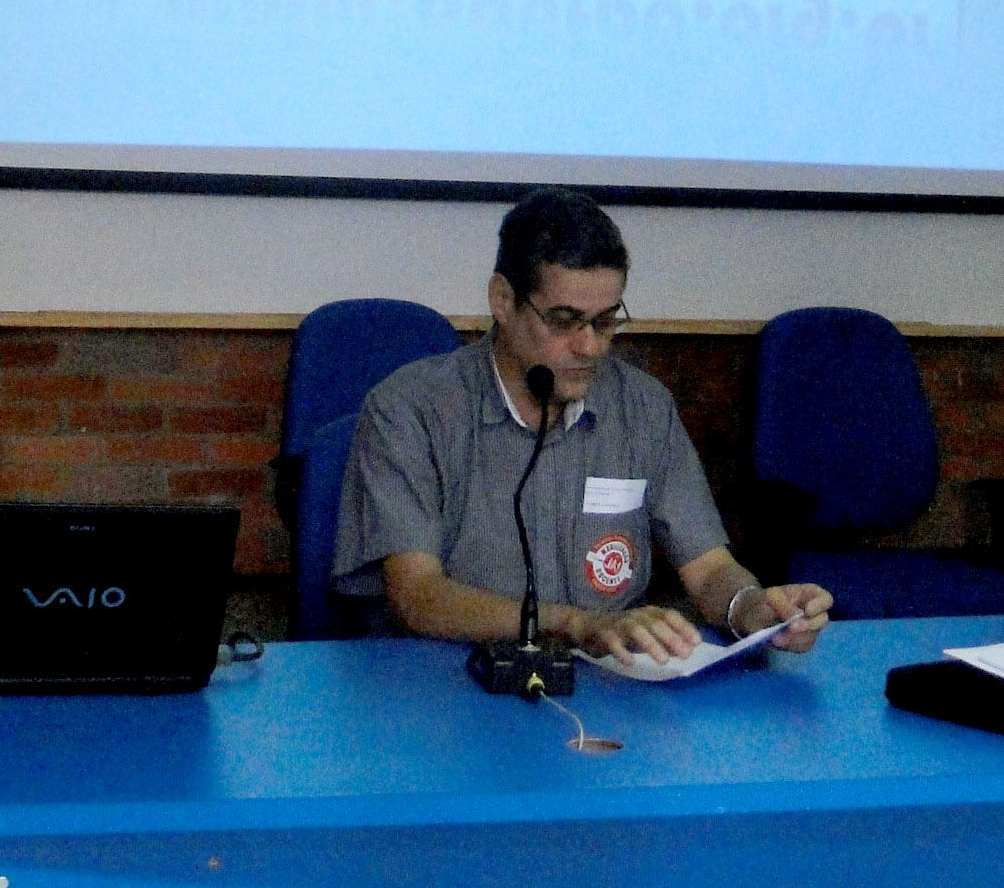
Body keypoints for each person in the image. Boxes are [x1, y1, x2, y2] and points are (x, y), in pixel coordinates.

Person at [332, 187, 832, 665]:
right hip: (446, 682)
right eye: (563, 320)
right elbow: (417, 595)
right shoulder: (409, 409)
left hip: (603, 681)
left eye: (605, 320)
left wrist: (754, 609)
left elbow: (709, 569)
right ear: (503, 300)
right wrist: (577, 625)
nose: (590, 346)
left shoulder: (643, 408)